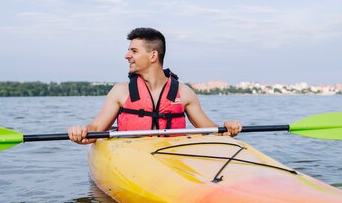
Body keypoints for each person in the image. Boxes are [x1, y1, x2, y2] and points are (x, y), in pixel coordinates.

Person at [68, 27, 242, 144]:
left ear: (153, 56)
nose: (126, 56)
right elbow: (95, 130)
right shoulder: (121, 92)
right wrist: (82, 132)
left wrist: (229, 127)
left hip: (171, 154)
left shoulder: (184, 93)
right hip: (132, 156)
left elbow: (212, 132)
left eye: (134, 51)